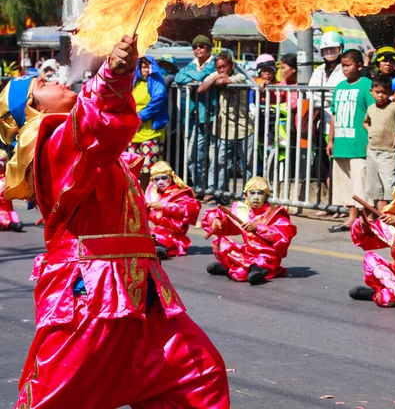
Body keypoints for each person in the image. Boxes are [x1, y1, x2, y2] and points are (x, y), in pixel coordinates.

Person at [5, 33, 230, 409]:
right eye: (43, 84)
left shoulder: (72, 138)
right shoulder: (50, 145)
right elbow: (93, 126)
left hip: (143, 298)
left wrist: (116, 76)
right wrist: (111, 75)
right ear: (31, 111)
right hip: (91, 301)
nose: (59, 79)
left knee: (199, 377)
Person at [202, 176, 297, 285]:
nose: (256, 197)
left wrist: (259, 227)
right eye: (252, 193)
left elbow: (284, 235)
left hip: (266, 257)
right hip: (249, 254)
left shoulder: (274, 214)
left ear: (267, 196)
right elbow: (224, 221)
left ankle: (240, 267)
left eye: (260, 193)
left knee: (241, 274)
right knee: (221, 242)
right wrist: (216, 220)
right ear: (245, 195)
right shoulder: (244, 211)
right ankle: (238, 267)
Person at [327, 49, 375, 233]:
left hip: (359, 144)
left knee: (361, 183)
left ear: (360, 66)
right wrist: (330, 140)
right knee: (346, 185)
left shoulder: (366, 85)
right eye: (343, 66)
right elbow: (334, 115)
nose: (345, 69)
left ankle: (367, 219)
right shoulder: (339, 87)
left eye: (349, 65)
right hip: (341, 143)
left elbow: (373, 114)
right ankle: (351, 218)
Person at [198, 52, 253, 196]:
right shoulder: (217, 75)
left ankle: (249, 196)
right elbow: (201, 88)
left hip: (243, 127)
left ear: (231, 65)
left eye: (224, 67)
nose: (222, 70)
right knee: (220, 162)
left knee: (248, 163)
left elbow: (223, 82)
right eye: (219, 68)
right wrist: (216, 77)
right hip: (223, 129)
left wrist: (217, 80)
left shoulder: (239, 76)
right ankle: (220, 194)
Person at [308, 32, 346, 216]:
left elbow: (338, 94)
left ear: (340, 50)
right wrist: (326, 97)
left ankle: (344, 205)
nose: (330, 52)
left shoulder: (344, 69)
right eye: (326, 49)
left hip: (340, 124)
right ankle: (333, 204)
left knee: (339, 167)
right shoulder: (319, 70)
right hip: (322, 124)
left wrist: (324, 97)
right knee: (322, 167)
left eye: (333, 49)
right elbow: (311, 94)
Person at [174, 35, 215, 191]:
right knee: (193, 156)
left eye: (202, 46)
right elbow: (178, 77)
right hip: (198, 117)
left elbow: (198, 76)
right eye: (195, 46)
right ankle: (199, 187)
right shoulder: (193, 65)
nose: (198, 49)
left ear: (209, 48)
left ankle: (210, 189)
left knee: (213, 156)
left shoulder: (213, 64)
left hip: (213, 117)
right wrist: (195, 79)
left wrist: (194, 77)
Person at [349, 188, 395, 306]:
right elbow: (364, 241)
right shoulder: (392, 229)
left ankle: (379, 293)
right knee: (370, 258)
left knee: (384, 297)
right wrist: (363, 226)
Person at [145, 161, 201, 257]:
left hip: (173, 236)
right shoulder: (155, 195)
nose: (160, 182)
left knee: (155, 241)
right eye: (157, 179)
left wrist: (164, 206)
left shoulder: (180, 193)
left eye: (164, 178)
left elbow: (190, 209)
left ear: (171, 177)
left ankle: (157, 249)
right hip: (157, 231)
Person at [129, 56, 169, 191]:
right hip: (133, 133)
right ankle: (136, 196)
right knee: (133, 167)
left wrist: (140, 117)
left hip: (151, 132)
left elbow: (158, 100)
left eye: (148, 66)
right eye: (143, 66)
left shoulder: (157, 82)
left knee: (149, 168)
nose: (146, 69)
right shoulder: (134, 82)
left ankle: (148, 195)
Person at [363, 75, 395, 213]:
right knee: (375, 188)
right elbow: (365, 122)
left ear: (390, 93)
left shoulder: (394, 107)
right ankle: (381, 216)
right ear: (371, 91)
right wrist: (370, 131)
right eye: (377, 92)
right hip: (372, 151)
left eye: (384, 92)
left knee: (389, 187)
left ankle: (392, 217)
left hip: (388, 153)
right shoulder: (371, 108)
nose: (381, 96)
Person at [0, 150, 23, 232]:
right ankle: (10, 224)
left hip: (8, 209)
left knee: (14, 218)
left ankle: (13, 224)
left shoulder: (8, 178)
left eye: (2, 160)